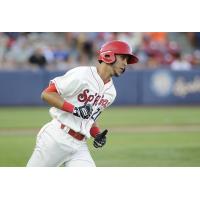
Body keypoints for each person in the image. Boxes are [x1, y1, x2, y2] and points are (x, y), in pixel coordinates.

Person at [26, 40, 138, 167]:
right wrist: (75, 109)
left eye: (127, 60)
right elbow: (47, 94)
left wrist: (97, 134)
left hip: (80, 146)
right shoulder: (82, 74)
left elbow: (90, 118)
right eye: (123, 58)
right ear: (109, 55)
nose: (125, 63)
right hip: (57, 136)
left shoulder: (111, 92)